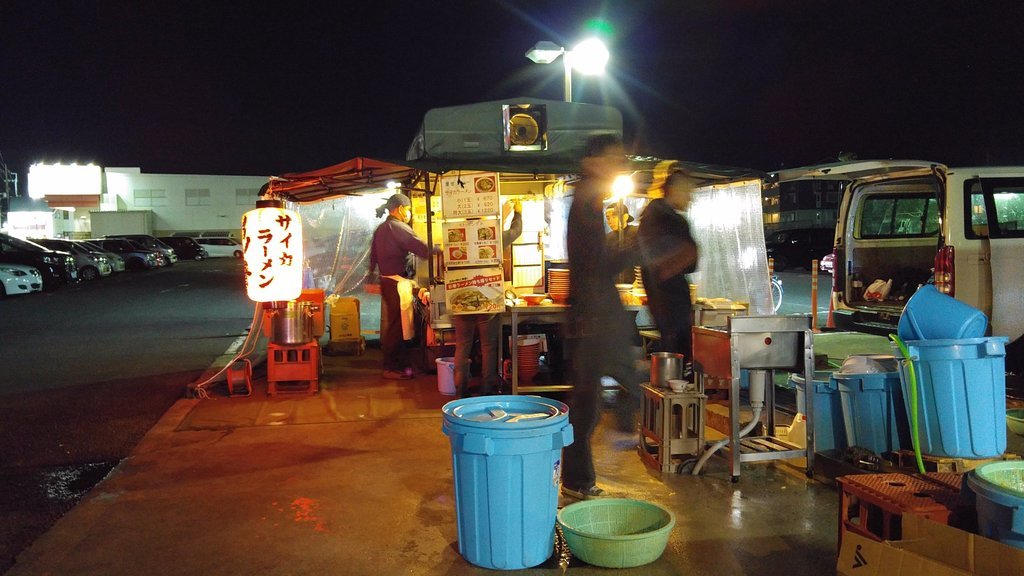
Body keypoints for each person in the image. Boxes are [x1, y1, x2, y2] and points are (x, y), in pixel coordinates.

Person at [561, 134, 642, 500]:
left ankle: (577, 478)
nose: (619, 165)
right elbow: (596, 263)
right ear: (593, 161)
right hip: (593, 315)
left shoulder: (587, 199)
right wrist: (632, 247)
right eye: (614, 158)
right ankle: (623, 433)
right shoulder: (587, 199)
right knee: (598, 395)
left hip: (592, 313)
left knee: (587, 399)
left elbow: (593, 261)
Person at [452, 200, 523, 396]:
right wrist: (517, 214)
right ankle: (487, 390)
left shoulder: (455, 237)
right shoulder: (492, 236)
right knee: (489, 346)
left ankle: (461, 391)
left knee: (463, 345)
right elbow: (516, 232)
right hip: (488, 296)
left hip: (461, 296)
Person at [638, 161, 700, 373]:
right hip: (670, 305)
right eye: (687, 192)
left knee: (677, 357)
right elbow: (668, 261)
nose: (691, 198)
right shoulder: (662, 217)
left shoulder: (659, 215)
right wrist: (686, 254)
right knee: (677, 361)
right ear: (673, 190)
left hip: (668, 303)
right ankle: (673, 402)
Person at [367, 193, 435, 380]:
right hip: (395, 283)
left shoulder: (382, 228)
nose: (410, 213)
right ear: (400, 208)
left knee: (396, 325)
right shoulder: (396, 227)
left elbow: (372, 256)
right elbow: (420, 247)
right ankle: (390, 367)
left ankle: (397, 364)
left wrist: (371, 275)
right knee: (397, 326)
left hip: (389, 281)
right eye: (409, 209)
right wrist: (441, 250)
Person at [605, 204, 640, 285]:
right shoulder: (607, 238)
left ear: (625, 217)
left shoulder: (637, 232)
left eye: (614, 217)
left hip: (635, 285)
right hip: (614, 286)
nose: (610, 221)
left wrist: (639, 282)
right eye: (608, 218)